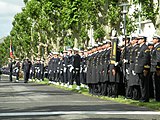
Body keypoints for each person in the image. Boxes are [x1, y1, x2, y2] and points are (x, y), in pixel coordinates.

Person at [134, 36, 150, 102]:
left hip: (143, 68)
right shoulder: (140, 48)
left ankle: (145, 98)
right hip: (139, 68)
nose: (138, 40)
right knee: (141, 84)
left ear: (143, 40)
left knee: (144, 84)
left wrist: (145, 68)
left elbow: (146, 59)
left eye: (139, 39)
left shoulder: (145, 48)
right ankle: (143, 96)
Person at [150, 35, 160, 102]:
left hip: (156, 68)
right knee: (155, 83)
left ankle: (158, 98)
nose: (153, 40)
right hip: (153, 67)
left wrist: (158, 68)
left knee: (157, 84)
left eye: (154, 39)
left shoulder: (158, 47)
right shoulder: (155, 47)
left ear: (157, 40)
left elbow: (158, 59)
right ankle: (156, 97)